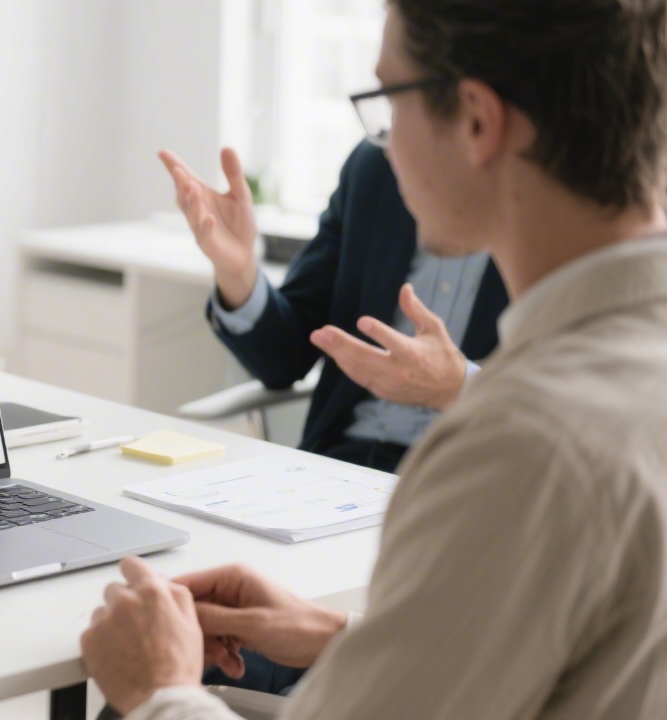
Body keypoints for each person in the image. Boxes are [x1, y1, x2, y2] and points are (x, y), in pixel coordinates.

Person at [82, 1, 667, 718]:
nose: (382, 132)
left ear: (477, 122)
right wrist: (339, 635)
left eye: (389, 97)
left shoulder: (518, 445)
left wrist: (158, 694)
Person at [160, 139, 508, 474]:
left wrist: (460, 386)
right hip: (337, 463)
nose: (389, 127)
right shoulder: (375, 165)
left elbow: (559, 394)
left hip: (473, 476)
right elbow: (284, 357)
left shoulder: (542, 191)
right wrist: (238, 272)